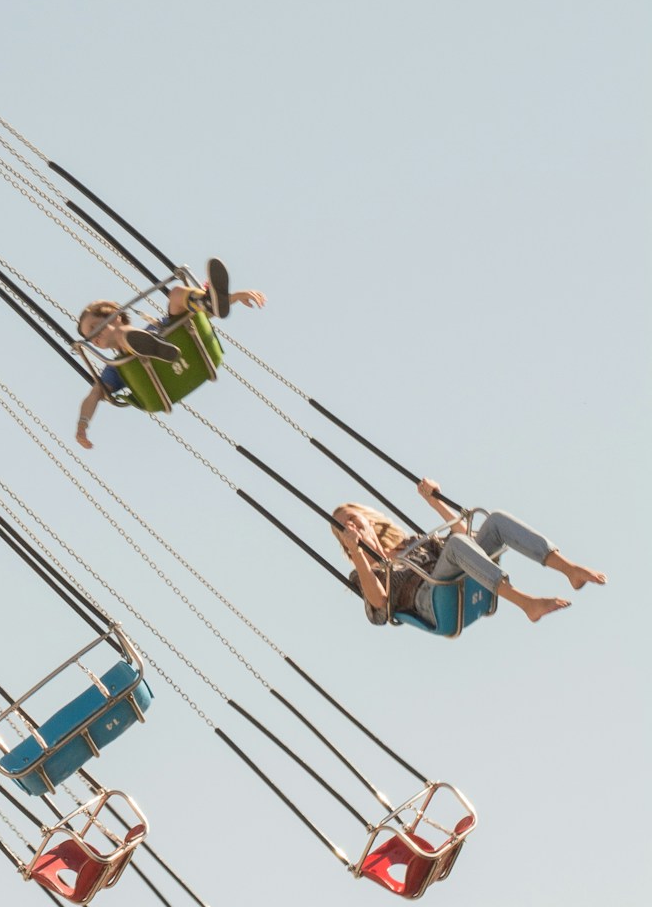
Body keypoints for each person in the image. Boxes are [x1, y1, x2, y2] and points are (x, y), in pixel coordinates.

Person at [330, 481, 604, 631]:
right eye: (344, 527)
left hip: (452, 573)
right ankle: (525, 602)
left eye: (353, 519)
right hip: (431, 600)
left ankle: (570, 569)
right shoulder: (362, 573)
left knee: (494, 521)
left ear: (368, 520)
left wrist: (434, 502)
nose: (351, 526)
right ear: (343, 539)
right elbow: (379, 602)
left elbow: (466, 539)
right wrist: (357, 552)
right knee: (457, 545)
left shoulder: (410, 543)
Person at [74, 258, 266, 451]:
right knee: (123, 337)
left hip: (183, 345)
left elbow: (198, 319)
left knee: (176, 295)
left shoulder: (156, 326)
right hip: (156, 381)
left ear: (115, 317)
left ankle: (209, 301)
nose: (93, 338)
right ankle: (147, 348)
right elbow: (95, 394)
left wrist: (234, 297)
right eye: (89, 338)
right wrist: (82, 424)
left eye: (93, 328)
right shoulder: (118, 368)